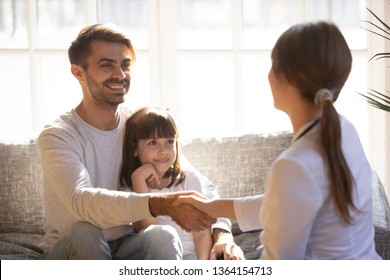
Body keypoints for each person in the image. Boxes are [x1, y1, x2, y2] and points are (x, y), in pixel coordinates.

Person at [176, 21, 382, 260]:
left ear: (285, 78)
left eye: (273, 65)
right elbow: (289, 204)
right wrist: (215, 207)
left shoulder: (294, 165)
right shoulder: (345, 129)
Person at [38, 23, 242, 260]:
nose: (120, 74)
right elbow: (82, 202)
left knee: (162, 234)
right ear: (78, 73)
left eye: (125, 65)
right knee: (87, 232)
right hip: (73, 248)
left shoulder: (136, 123)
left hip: (128, 244)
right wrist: (159, 203)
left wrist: (223, 234)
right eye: (107, 65)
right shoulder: (58, 135)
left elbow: (199, 185)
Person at [120, 106, 230, 259]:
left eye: (169, 141)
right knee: (161, 235)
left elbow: (202, 234)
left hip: (192, 257)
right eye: (153, 142)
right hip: (157, 258)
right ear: (135, 149)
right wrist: (138, 179)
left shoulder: (189, 179)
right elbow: (150, 228)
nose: (163, 150)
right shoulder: (130, 188)